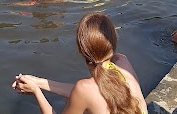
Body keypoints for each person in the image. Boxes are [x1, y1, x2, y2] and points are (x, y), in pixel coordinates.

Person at [12, 13, 147, 114]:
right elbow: (93, 92)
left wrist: (36, 92)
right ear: (113, 42)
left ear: (80, 49)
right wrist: (39, 83)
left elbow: (86, 93)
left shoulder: (84, 89)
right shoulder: (122, 61)